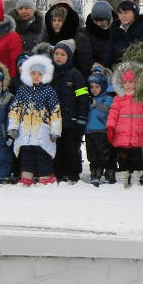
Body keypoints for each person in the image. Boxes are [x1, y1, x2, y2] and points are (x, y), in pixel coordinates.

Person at [7, 54, 62, 186]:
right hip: (25, 130)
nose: (36, 76)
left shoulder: (49, 91)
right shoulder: (22, 90)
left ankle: (45, 175)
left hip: (42, 129)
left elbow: (55, 112)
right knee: (27, 154)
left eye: (39, 74)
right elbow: (15, 110)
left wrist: (55, 130)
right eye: (33, 73)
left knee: (43, 154)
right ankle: (27, 175)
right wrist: (13, 127)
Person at [106, 62, 143, 188]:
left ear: (136, 83)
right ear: (122, 84)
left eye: (131, 82)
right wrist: (110, 128)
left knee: (136, 157)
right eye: (125, 83)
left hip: (137, 134)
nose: (128, 85)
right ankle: (123, 177)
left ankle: (136, 177)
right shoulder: (118, 99)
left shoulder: (142, 99)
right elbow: (113, 115)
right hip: (121, 135)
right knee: (123, 158)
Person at [50, 39, 89, 183]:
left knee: (72, 148)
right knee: (58, 148)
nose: (59, 57)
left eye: (62, 54)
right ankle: (58, 173)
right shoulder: (50, 74)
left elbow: (84, 98)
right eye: (56, 54)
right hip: (55, 121)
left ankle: (73, 173)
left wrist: (82, 117)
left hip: (72, 121)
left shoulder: (76, 75)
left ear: (69, 57)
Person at [44, 2, 94, 79]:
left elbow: (84, 67)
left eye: (60, 21)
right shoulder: (47, 37)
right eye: (54, 20)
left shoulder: (80, 39)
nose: (56, 23)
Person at [85, 65, 116, 186]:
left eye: (97, 87)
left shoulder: (107, 98)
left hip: (102, 131)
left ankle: (109, 171)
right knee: (92, 155)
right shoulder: (89, 99)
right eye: (92, 87)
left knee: (105, 153)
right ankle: (95, 172)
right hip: (90, 131)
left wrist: (95, 104)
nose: (94, 89)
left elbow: (107, 110)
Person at [104, 0, 143, 67]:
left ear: (134, 13)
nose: (123, 16)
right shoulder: (115, 29)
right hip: (117, 70)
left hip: (138, 69)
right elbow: (108, 52)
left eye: (126, 12)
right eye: (120, 13)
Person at [84, 1, 118, 66]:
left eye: (102, 20)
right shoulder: (85, 34)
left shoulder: (118, 32)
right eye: (96, 21)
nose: (99, 24)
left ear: (109, 19)